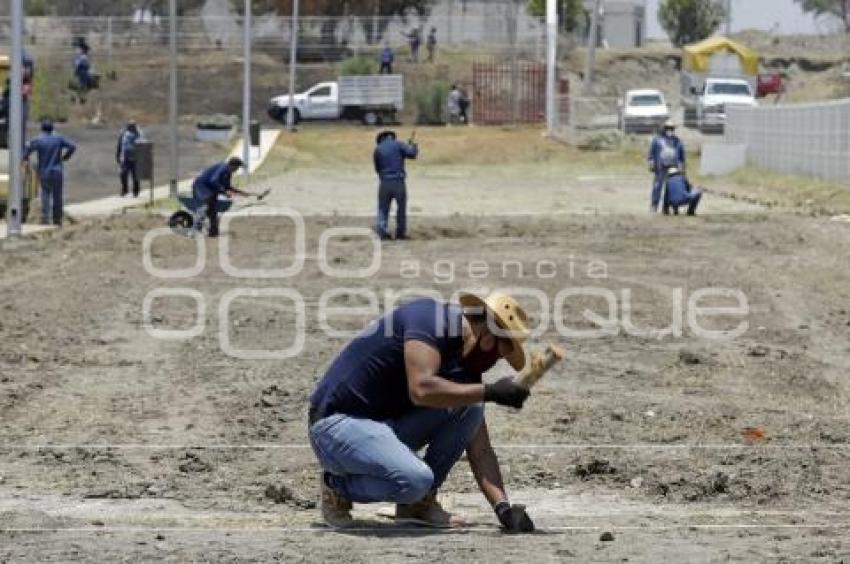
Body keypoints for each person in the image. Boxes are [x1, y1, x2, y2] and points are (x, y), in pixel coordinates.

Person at [309, 291, 536, 532]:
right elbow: (422, 388)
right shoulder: (430, 319)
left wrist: (503, 508)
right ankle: (336, 487)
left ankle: (417, 506)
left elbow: (480, 450)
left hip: (381, 430)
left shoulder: (465, 364)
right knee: (416, 480)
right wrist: (490, 392)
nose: (495, 360)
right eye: (500, 353)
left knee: (471, 406)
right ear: (489, 333)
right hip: (335, 426)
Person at [23, 120, 76, 226]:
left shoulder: (39, 140)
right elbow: (72, 146)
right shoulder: (58, 139)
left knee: (46, 195)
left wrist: (26, 159)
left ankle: (46, 219)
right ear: (52, 128)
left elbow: (27, 150)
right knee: (57, 196)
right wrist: (65, 157)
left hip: (44, 171)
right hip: (57, 171)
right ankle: (57, 219)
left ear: (42, 128)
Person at [373, 130, 417, 241]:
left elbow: (377, 168)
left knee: (383, 208)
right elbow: (412, 154)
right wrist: (413, 145)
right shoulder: (399, 144)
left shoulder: (378, 149)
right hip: (398, 181)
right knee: (401, 208)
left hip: (384, 182)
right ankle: (400, 233)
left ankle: (382, 231)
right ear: (391, 136)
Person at [191, 157, 250, 238]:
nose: (237, 170)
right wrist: (224, 191)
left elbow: (228, 187)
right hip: (201, 186)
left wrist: (242, 193)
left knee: (213, 210)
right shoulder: (223, 168)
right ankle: (196, 229)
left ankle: (213, 233)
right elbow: (213, 180)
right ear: (232, 166)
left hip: (210, 188)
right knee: (208, 205)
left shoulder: (228, 172)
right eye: (237, 168)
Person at [647, 120, 685, 213]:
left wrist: (682, 167)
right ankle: (654, 206)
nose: (669, 130)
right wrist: (651, 163)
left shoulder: (677, 141)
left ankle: (666, 207)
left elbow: (681, 156)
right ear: (664, 129)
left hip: (673, 168)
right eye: (668, 128)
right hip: (660, 167)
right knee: (657, 187)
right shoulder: (657, 140)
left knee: (670, 189)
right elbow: (651, 153)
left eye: (671, 128)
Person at [116, 121, 143, 197]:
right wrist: (118, 156)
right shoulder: (123, 134)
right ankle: (125, 190)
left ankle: (136, 191)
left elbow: (142, 145)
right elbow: (120, 145)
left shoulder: (139, 134)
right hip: (125, 159)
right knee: (123, 174)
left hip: (136, 159)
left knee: (135, 176)